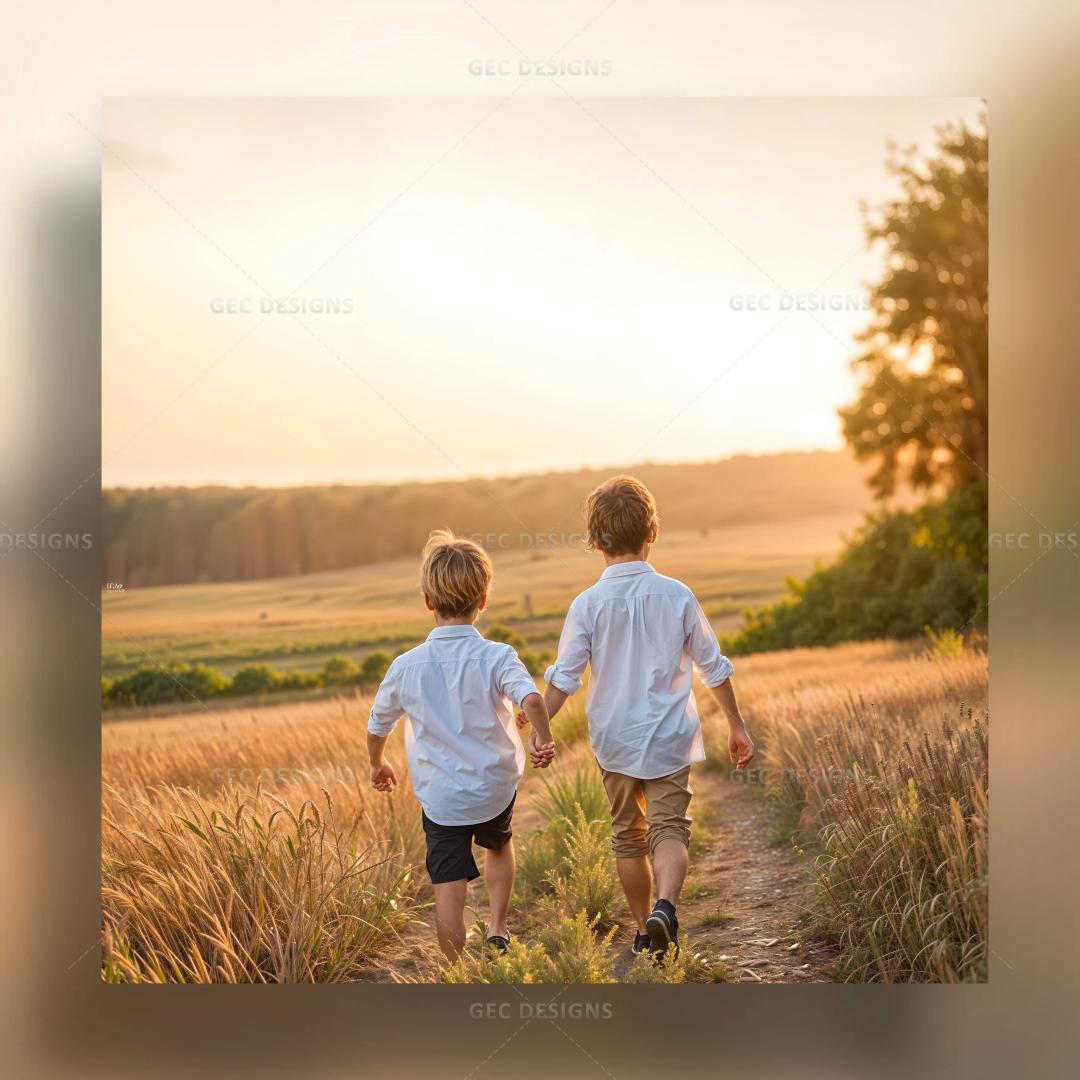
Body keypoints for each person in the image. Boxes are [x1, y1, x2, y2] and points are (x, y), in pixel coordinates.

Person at [527, 476, 753, 958]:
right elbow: (713, 665)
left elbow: (564, 679)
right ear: (652, 532)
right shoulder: (677, 595)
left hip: (615, 741)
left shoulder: (585, 605)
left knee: (627, 836)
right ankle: (665, 908)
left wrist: (539, 729)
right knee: (670, 828)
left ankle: (641, 931)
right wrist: (736, 723)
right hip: (669, 736)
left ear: (594, 541)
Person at [368, 530, 554, 960]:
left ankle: (455, 972)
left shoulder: (405, 667)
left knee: (448, 887)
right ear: (483, 599)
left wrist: (377, 763)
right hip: (494, 788)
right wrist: (544, 737)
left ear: (428, 601)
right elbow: (532, 699)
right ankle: (498, 928)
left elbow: (377, 725)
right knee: (499, 845)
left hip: (442, 798)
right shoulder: (498, 655)